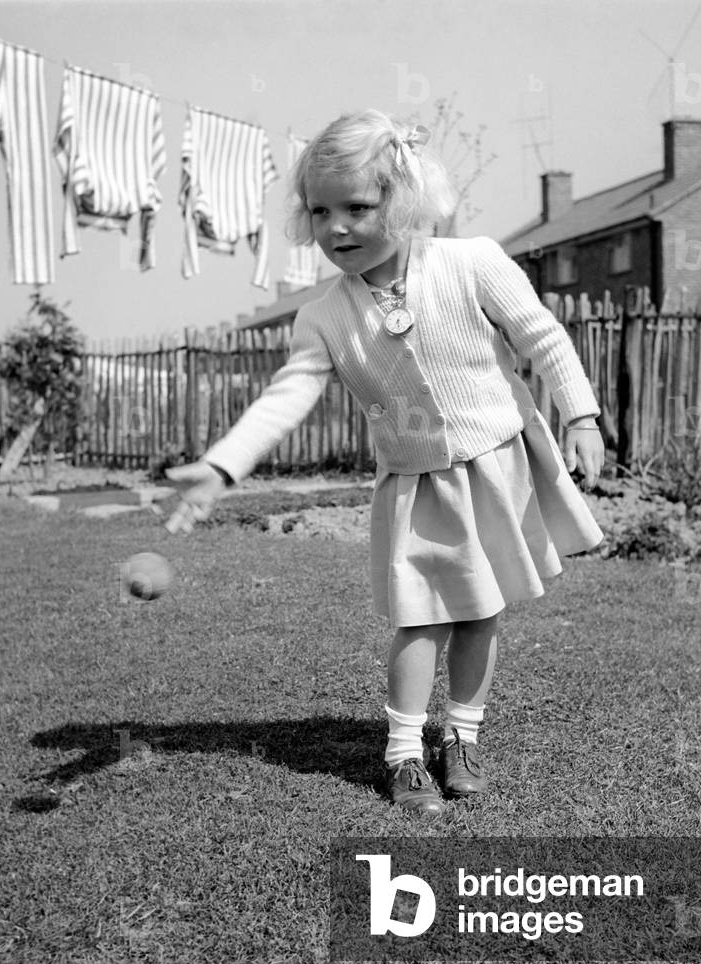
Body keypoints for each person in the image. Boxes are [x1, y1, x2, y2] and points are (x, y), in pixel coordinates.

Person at [161, 109, 605, 816]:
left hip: (496, 465)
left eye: (358, 207)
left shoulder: (472, 262)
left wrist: (580, 413)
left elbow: (543, 336)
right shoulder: (324, 315)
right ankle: (403, 753)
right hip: (417, 483)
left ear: (402, 200)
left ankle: (461, 737)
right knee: (421, 616)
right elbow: (286, 397)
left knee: (482, 611)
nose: (337, 227)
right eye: (321, 211)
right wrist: (220, 467)